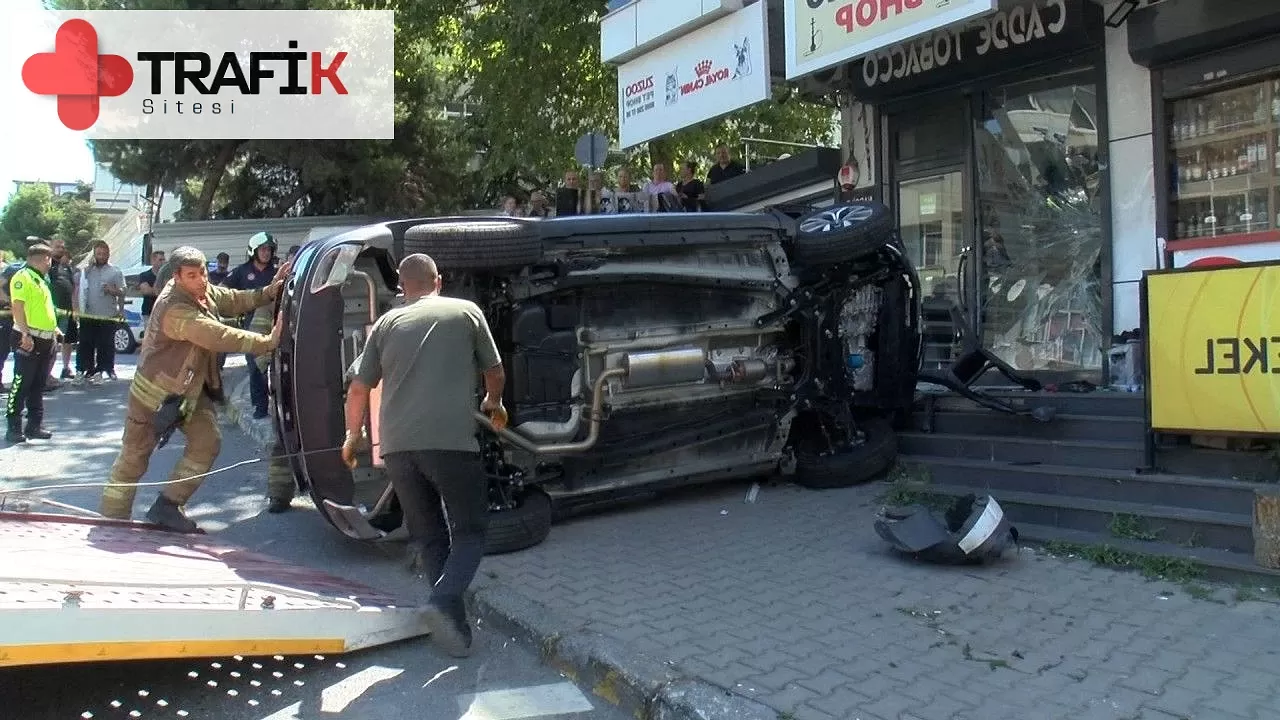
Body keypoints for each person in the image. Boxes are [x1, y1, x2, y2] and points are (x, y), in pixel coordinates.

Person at [342, 253, 505, 658]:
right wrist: (494, 403)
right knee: (470, 530)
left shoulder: (385, 323)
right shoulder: (465, 310)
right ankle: (442, 601)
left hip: (397, 449)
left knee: (430, 535)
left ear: (402, 286)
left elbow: (359, 388)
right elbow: (495, 370)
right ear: (439, 280)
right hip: (449, 443)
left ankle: (455, 631)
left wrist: (352, 436)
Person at [98, 246, 289, 532]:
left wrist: (269, 292)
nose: (201, 280)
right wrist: (267, 341)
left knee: (207, 442)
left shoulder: (202, 291)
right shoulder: (174, 308)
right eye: (192, 275)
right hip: (153, 398)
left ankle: (168, 506)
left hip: (189, 393)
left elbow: (233, 299)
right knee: (133, 459)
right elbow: (215, 334)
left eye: (202, 273)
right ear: (176, 277)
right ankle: (111, 523)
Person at [222, 232, 280, 419]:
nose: (266, 253)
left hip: (274, 325)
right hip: (250, 326)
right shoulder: (241, 272)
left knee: (278, 366)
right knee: (255, 367)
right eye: (262, 249)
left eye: (269, 249)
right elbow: (223, 290)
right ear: (254, 251)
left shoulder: (276, 272)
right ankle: (260, 407)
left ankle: (279, 406)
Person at [6, 243, 60, 443]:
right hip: (28, 338)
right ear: (44, 258)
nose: (50, 264)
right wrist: (26, 335)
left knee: (38, 384)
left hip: (46, 338)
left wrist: (53, 328)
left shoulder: (40, 279)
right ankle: (13, 427)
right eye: (50, 260)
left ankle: (34, 425)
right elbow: (17, 306)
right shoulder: (23, 277)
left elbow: (41, 309)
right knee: (22, 383)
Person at [74, 240, 126, 385]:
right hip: (88, 314)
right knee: (85, 343)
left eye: (104, 254)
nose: (101, 256)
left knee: (105, 344)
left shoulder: (115, 271)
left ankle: (102, 370)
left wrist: (112, 291)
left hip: (107, 314)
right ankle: (83, 370)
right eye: (98, 254)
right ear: (94, 254)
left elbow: (122, 292)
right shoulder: (86, 271)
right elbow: (77, 287)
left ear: (108, 254)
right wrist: (76, 310)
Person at [46, 237, 79, 383]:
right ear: (50, 247)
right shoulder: (46, 265)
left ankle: (65, 369)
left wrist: (75, 309)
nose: (60, 249)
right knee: (51, 342)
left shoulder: (66, 267)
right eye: (57, 246)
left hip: (67, 311)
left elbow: (73, 289)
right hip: (52, 311)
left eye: (62, 247)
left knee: (65, 341)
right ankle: (46, 374)